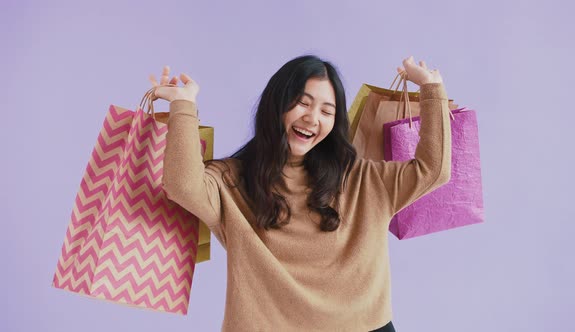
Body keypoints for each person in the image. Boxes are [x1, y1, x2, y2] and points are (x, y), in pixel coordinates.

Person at [149, 55, 451, 332]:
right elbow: (183, 186)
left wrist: (431, 87)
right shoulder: (232, 181)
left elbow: (433, 170)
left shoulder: (363, 179)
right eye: (303, 103)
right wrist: (183, 107)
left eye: (326, 111)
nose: (312, 118)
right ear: (277, 104)